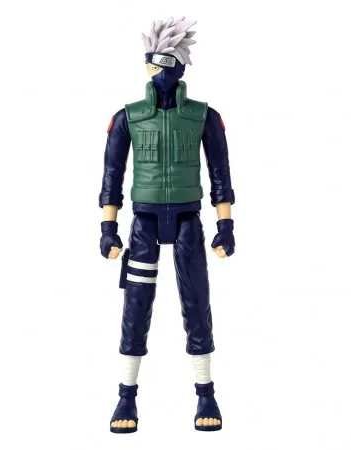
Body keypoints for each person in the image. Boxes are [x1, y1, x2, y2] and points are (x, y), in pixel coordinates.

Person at [99, 17, 236, 433]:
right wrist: (108, 228)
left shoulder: (204, 117)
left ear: (176, 65)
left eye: (161, 63)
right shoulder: (128, 117)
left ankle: (205, 391)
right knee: (136, 305)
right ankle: (126, 394)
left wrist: (226, 225)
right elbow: (111, 177)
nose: (155, 72)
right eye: (151, 64)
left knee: (197, 300)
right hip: (143, 219)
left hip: (188, 218)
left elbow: (220, 175)